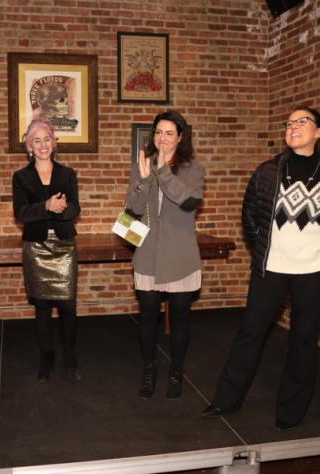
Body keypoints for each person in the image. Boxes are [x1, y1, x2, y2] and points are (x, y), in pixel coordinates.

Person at [202, 106, 320, 431]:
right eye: (289, 123)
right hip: (272, 269)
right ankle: (225, 400)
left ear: (318, 132)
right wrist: (264, 250)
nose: (293, 127)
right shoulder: (268, 171)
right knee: (250, 333)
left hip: (313, 272)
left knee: (303, 340)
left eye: (302, 122)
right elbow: (250, 215)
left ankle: (291, 411)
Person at [126, 110, 205, 400]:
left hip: (180, 255)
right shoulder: (141, 166)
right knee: (147, 316)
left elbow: (188, 202)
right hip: (147, 253)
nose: (162, 138)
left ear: (180, 137)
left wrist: (160, 171)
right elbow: (132, 209)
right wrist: (145, 179)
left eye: (169, 133)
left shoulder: (194, 168)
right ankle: (149, 370)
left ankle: (176, 372)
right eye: (158, 132)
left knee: (181, 316)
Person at [12, 118, 81, 383]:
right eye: (36, 140)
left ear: (55, 143)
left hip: (64, 245)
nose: (42, 144)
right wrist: (46, 206)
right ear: (29, 146)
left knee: (67, 306)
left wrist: (63, 209)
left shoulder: (67, 174)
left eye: (47, 139)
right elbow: (20, 214)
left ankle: (71, 357)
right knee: (41, 306)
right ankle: (47, 356)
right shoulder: (21, 177)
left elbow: (76, 208)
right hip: (36, 246)